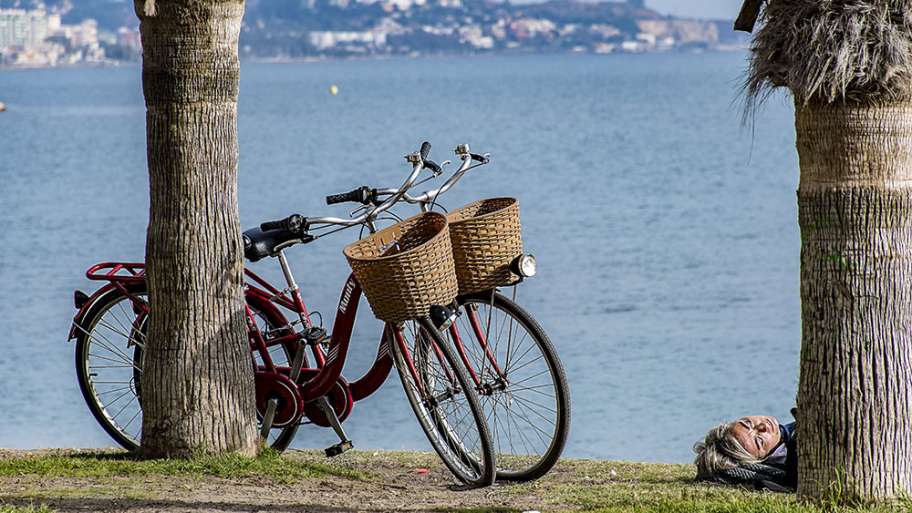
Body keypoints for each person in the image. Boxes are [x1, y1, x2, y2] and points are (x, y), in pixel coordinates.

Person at [693, 413, 797, 491]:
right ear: (760, 460)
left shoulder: (789, 432)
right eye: (759, 441)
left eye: (748, 423)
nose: (763, 426)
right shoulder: (794, 458)